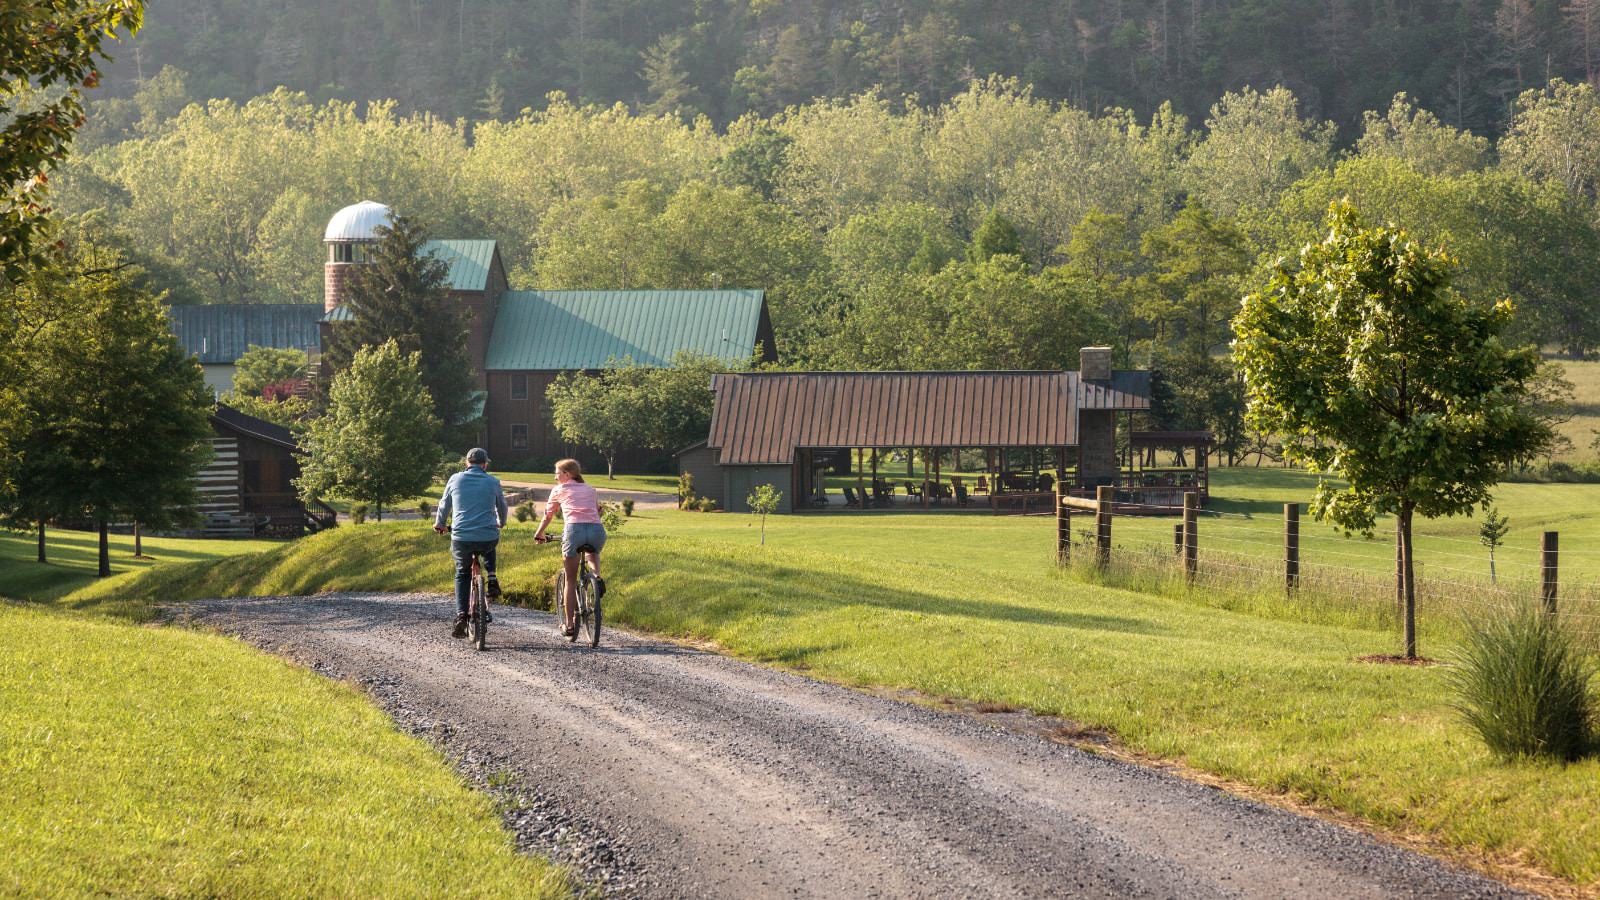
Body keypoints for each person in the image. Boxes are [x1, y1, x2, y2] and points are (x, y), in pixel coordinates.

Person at [433, 447, 508, 638]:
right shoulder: (492, 481)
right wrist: (502, 522)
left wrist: (440, 524)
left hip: (462, 538)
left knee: (462, 572)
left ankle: (461, 616)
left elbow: (444, 504)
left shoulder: (455, 479)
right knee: (490, 540)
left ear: (467, 463)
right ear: (485, 464)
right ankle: (491, 577)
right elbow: (502, 505)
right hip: (487, 536)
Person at [533, 458, 606, 638]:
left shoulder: (559, 490)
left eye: (557, 473)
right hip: (597, 531)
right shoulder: (590, 489)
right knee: (592, 552)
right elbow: (597, 511)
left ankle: (570, 625)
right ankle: (596, 577)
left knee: (570, 580)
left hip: (574, 531)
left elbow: (548, 516)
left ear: (567, 474)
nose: (554, 477)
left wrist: (539, 533)